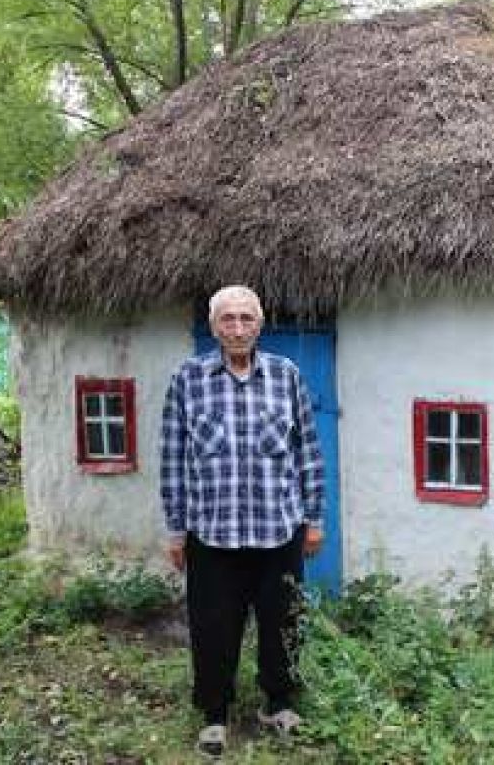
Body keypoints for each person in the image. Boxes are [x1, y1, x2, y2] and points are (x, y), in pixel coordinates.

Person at [160, 285, 325, 759]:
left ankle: (279, 703)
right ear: (213, 327)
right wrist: (175, 529)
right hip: (212, 533)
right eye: (227, 319)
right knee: (213, 627)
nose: (236, 328)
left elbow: (308, 452)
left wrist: (313, 519)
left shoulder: (285, 375)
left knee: (283, 622)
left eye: (245, 318)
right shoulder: (187, 379)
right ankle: (215, 714)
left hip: (279, 530)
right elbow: (172, 458)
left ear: (260, 323)